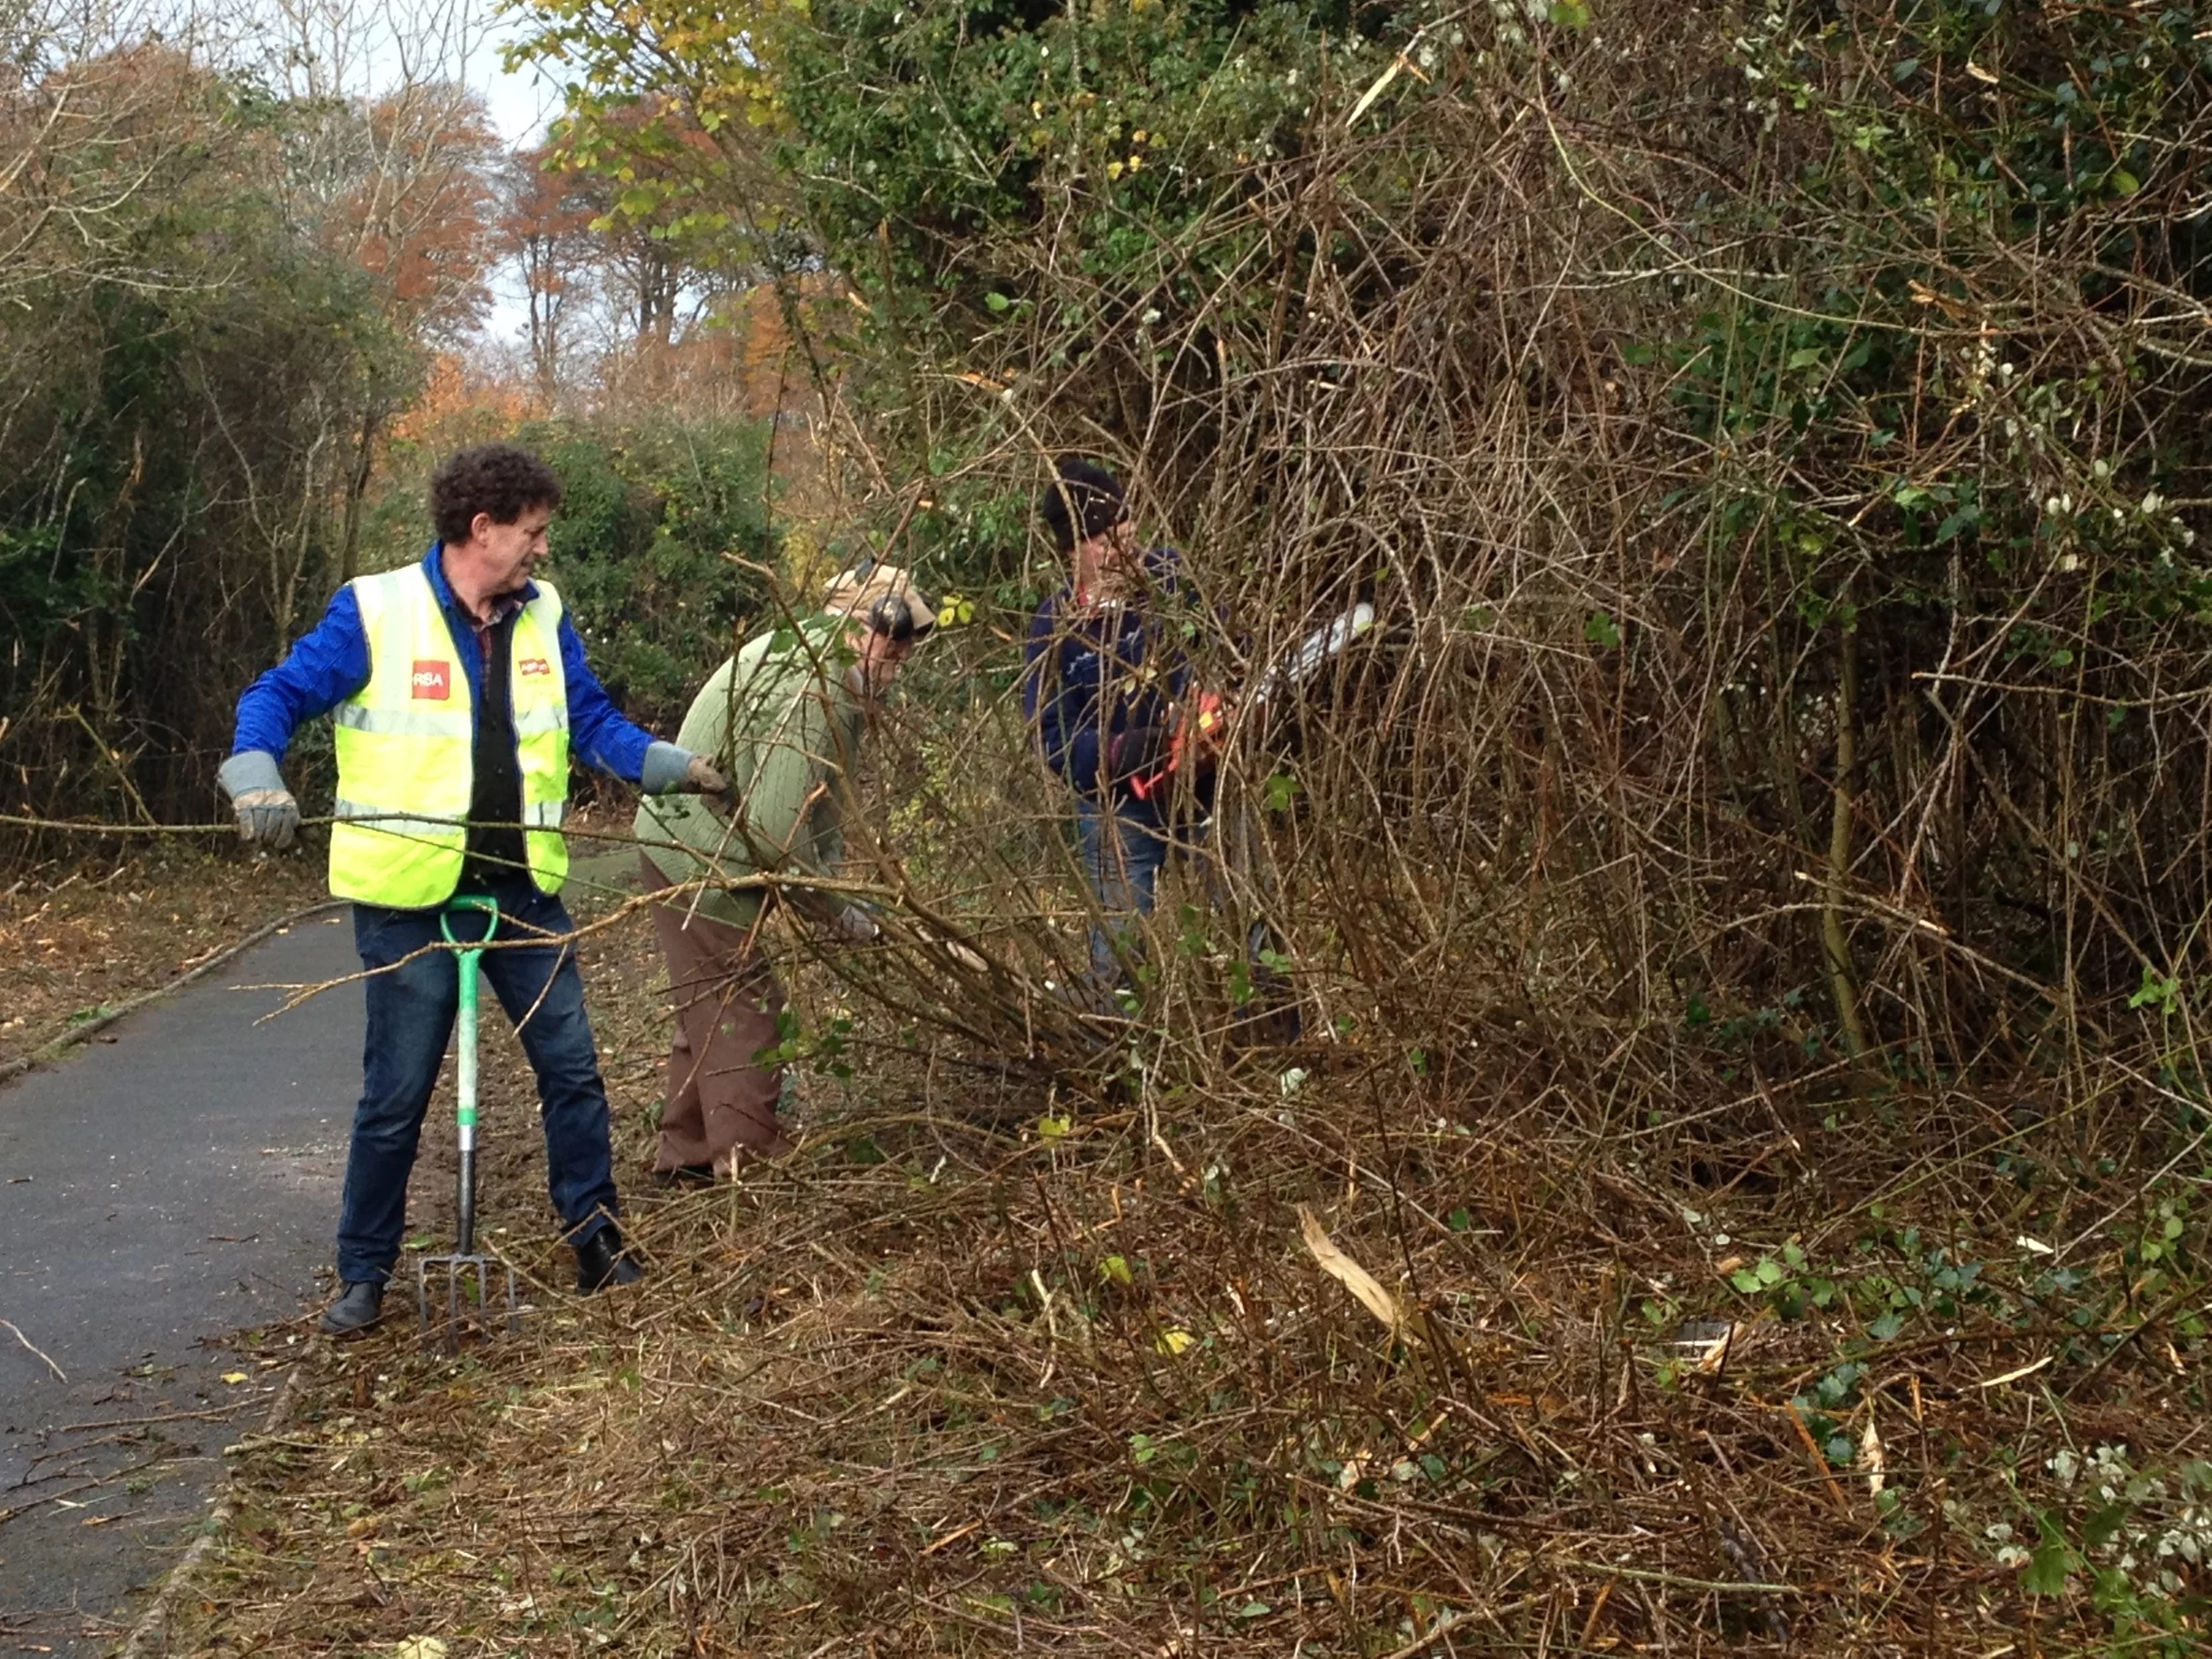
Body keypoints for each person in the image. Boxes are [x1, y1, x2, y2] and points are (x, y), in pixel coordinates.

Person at [219, 442, 732, 1334]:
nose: (541, 549)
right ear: (480, 527)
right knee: (396, 1096)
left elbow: (591, 722)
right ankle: (365, 1272)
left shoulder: (544, 616)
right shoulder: (375, 612)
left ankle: (595, 1238)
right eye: (530, 533)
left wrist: (669, 765)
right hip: (408, 901)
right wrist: (255, 770)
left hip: (523, 893)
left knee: (572, 1073)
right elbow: (277, 696)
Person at [633, 565, 934, 1181]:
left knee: (710, 1006)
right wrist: (837, 908)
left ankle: (685, 1158)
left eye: (909, 641)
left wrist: (844, 887)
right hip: (698, 858)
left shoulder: (825, 674)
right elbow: (778, 838)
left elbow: (812, 804)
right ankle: (750, 1167)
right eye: (891, 634)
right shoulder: (810, 690)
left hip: (697, 851)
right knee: (746, 1007)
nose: (899, 653)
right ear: (852, 623)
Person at [1021, 460, 1225, 992]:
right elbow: (1053, 737)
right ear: (1074, 551)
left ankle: (1279, 1040)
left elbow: (1231, 647)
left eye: (1129, 535)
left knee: (1254, 914)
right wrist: (1127, 750)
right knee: (1119, 947)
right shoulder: (1056, 626)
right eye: (1107, 542)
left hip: (1209, 784)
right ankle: (1108, 1044)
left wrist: (1216, 705)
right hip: (1120, 803)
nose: (1124, 552)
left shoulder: (1173, 579)